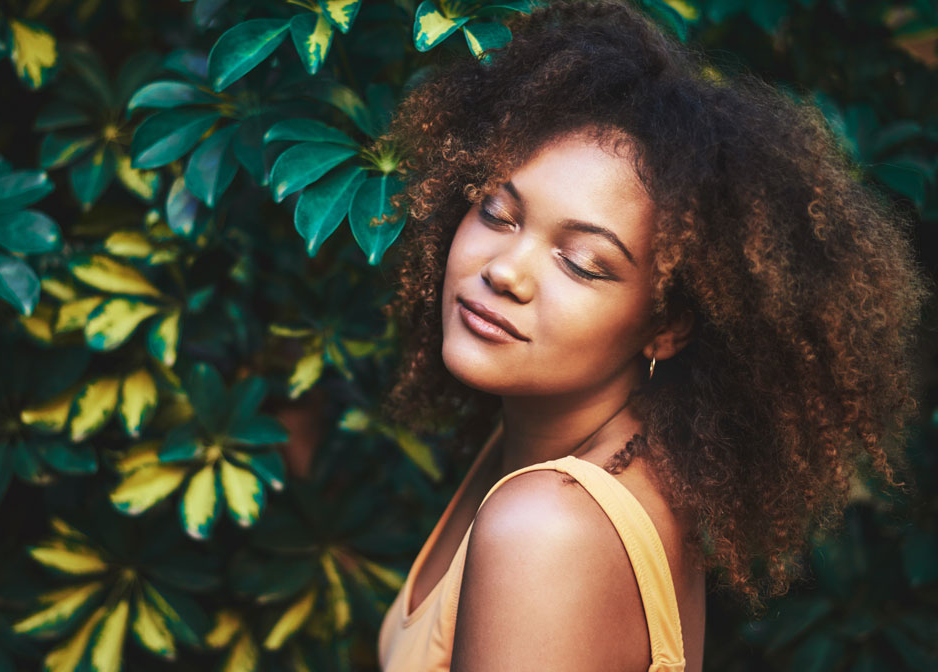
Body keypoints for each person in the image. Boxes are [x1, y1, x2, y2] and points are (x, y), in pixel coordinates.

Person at [376, 1, 929, 670]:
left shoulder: (549, 528)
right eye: (498, 212)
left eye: (582, 262)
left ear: (665, 327)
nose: (505, 272)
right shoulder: (574, 446)